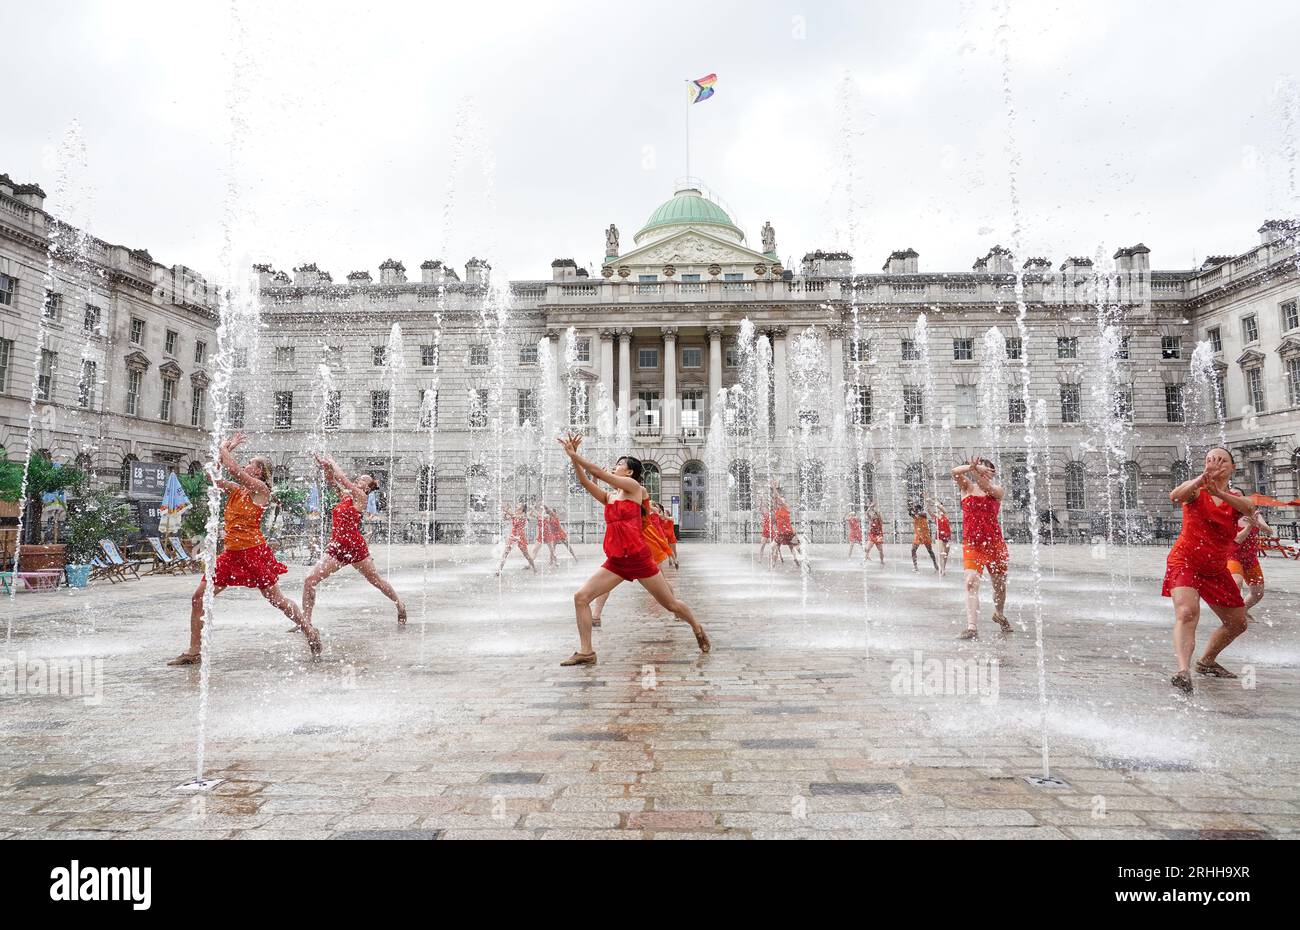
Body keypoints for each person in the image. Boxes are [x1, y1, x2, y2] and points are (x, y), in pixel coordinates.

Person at [557, 432, 709, 666]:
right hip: (617, 561)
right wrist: (573, 460)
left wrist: (576, 454)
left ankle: (697, 628)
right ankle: (586, 651)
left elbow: (597, 473)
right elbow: (586, 482)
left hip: (638, 558)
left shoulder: (633, 487)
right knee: (581, 597)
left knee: (671, 605)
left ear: (629, 472)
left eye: (619, 465)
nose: (615, 467)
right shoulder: (611, 498)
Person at [168, 432, 309, 666]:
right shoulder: (237, 490)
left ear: (259, 471)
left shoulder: (261, 490)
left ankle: (309, 629)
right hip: (231, 554)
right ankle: (194, 651)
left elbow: (234, 470)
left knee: (275, 599)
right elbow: (210, 475)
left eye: (250, 464)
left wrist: (224, 448)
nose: (246, 466)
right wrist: (224, 453)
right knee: (198, 598)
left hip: (253, 552)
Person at [1164, 448, 1255, 693]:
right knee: (1186, 612)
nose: (1216, 464)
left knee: (1237, 623)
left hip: (1215, 567)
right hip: (1185, 560)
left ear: (1232, 467)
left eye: (1222, 460)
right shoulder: (1196, 489)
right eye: (1210, 460)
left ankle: (1206, 662)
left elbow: (1249, 509)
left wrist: (1221, 494)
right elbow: (1175, 496)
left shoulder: (1235, 497)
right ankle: (1183, 671)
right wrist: (1200, 479)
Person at [299, 454, 407, 633]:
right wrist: (327, 467)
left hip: (355, 548)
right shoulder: (346, 497)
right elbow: (332, 481)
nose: (359, 480)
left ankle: (399, 604)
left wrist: (332, 461)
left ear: (368, 487)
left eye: (363, 480)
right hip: (337, 547)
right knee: (309, 580)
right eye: (359, 478)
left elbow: (342, 479)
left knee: (375, 580)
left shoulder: (361, 498)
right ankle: (306, 622)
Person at [952, 457, 1012, 640]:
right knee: (970, 582)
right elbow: (954, 472)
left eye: (987, 470)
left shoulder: (997, 490)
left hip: (994, 543)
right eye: (980, 470)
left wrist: (977, 471)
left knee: (999, 585)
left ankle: (999, 614)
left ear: (992, 474)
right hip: (972, 544)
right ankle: (972, 627)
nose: (982, 472)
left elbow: (985, 487)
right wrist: (973, 467)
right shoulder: (966, 488)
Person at [1227, 499, 1268, 620]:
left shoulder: (1255, 515)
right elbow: (1237, 539)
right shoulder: (1228, 516)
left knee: (1258, 592)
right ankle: (1232, 613)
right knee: (1236, 583)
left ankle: (1243, 609)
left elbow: (1269, 531)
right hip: (1233, 555)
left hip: (1250, 558)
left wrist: (1258, 523)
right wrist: (1250, 526)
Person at [496, 501, 538, 575]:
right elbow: (505, 518)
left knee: (526, 555)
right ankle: (499, 570)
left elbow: (515, 516)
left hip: (520, 536)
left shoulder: (524, 515)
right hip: (513, 535)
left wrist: (506, 510)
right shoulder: (515, 514)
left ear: (522, 508)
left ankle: (534, 568)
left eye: (519, 505)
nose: (517, 505)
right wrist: (505, 512)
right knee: (505, 553)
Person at [911, 504, 939, 573]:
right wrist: (911, 509)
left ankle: (935, 564)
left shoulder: (923, 514)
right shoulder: (916, 515)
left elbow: (921, 514)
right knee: (913, 550)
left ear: (918, 509)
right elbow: (910, 513)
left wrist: (915, 511)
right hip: (918, 536)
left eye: (915, 509)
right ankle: (915, 566)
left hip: (925, 535)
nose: (914, 510)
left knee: (930, 550)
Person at [929, 497, 953, 576]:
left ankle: (944, 568)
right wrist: (927, 501)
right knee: (940, 553)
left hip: (947, 536)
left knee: (945, 554)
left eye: (941, 507)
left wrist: (932, 500)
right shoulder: (935, 516)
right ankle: (942, 570)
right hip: (939, 536)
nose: (940, 508)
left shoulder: (946, 514)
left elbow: (942, 509)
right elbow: (928, 510)